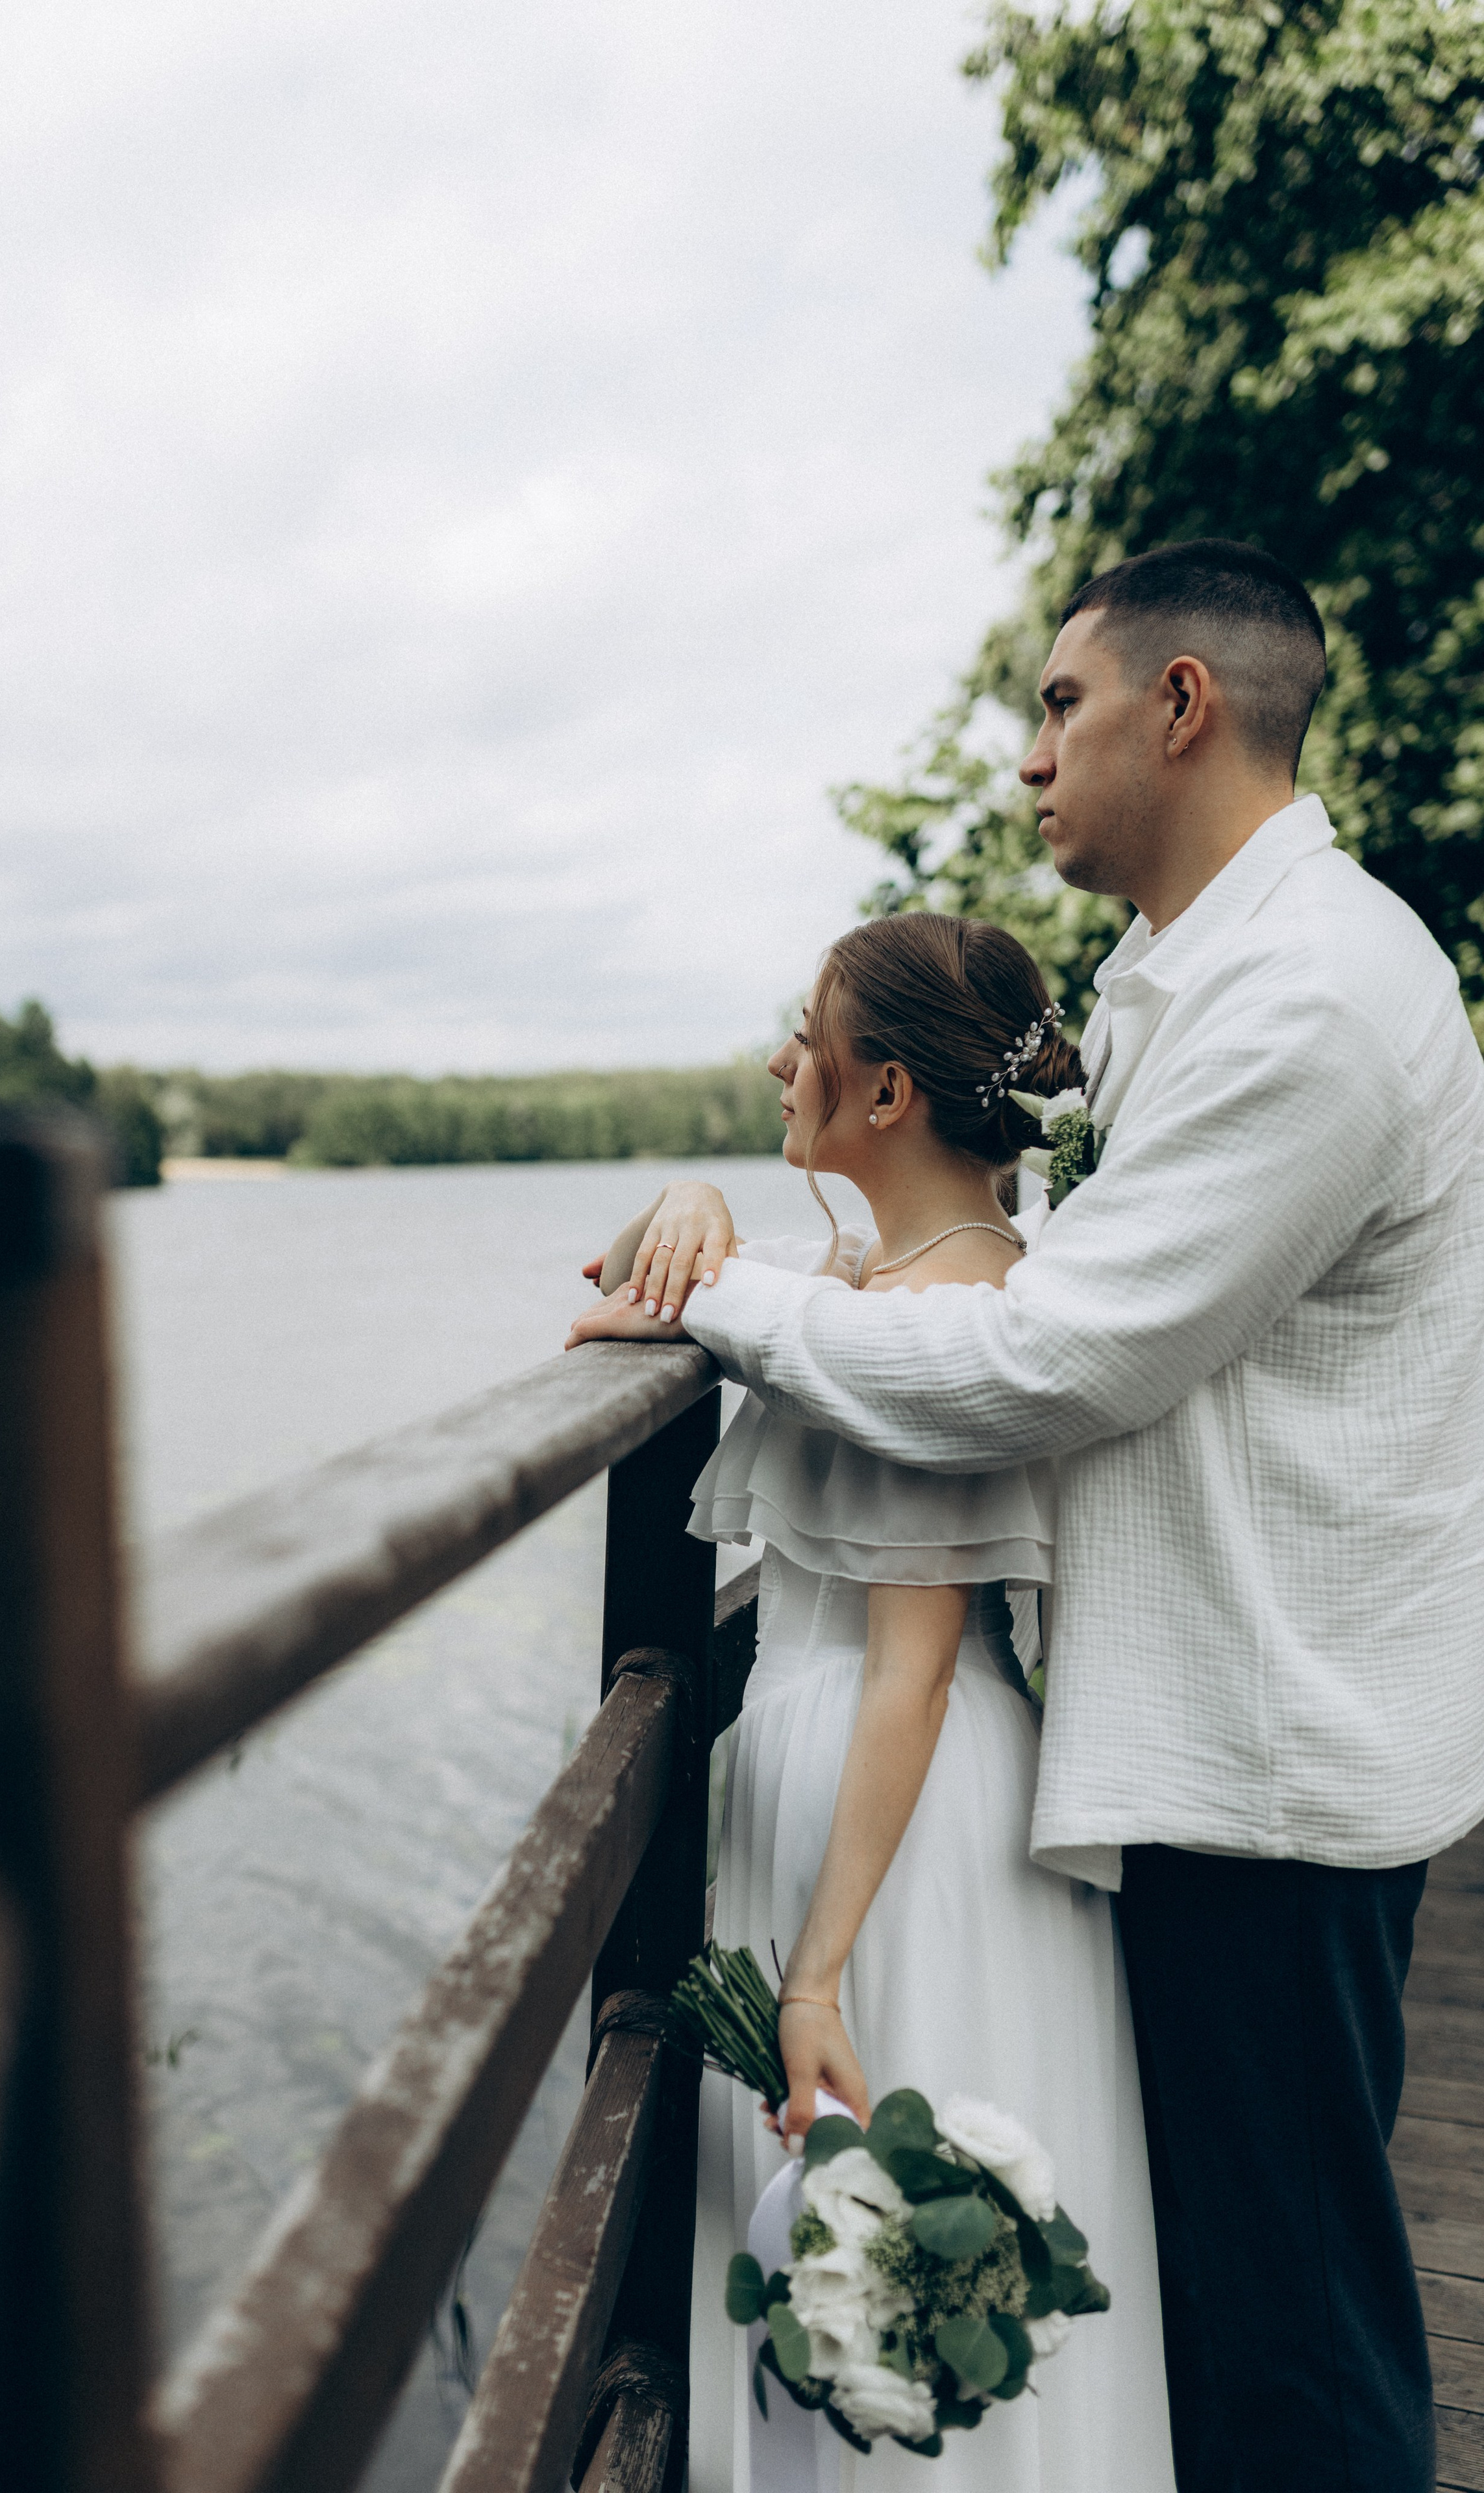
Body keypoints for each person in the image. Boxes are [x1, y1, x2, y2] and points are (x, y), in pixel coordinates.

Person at [569, 539, 1484, 2493]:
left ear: (1184, 706)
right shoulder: (1198, 976)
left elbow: (1047, 1361)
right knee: (1233, 2312)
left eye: (1059, 707)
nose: (1028, 760)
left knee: (1297, 2339)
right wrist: (759, 1245)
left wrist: (714, 1300)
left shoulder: (1308, 997)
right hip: (1206, 1728)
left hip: (1270, 1751)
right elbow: (1017, 1275)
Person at [632, 912, 1174, 2493]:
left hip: (892, 1816)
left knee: (887, 2209)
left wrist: (812, 1974)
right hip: (873, 1780)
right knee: (868, 2244)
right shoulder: (898, 1273)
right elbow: (677, 1276)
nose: (779, 1060)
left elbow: (913, 1666)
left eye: (809, 1035)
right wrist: (690, 1200)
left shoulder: (944, 1326)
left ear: (882, 1098)